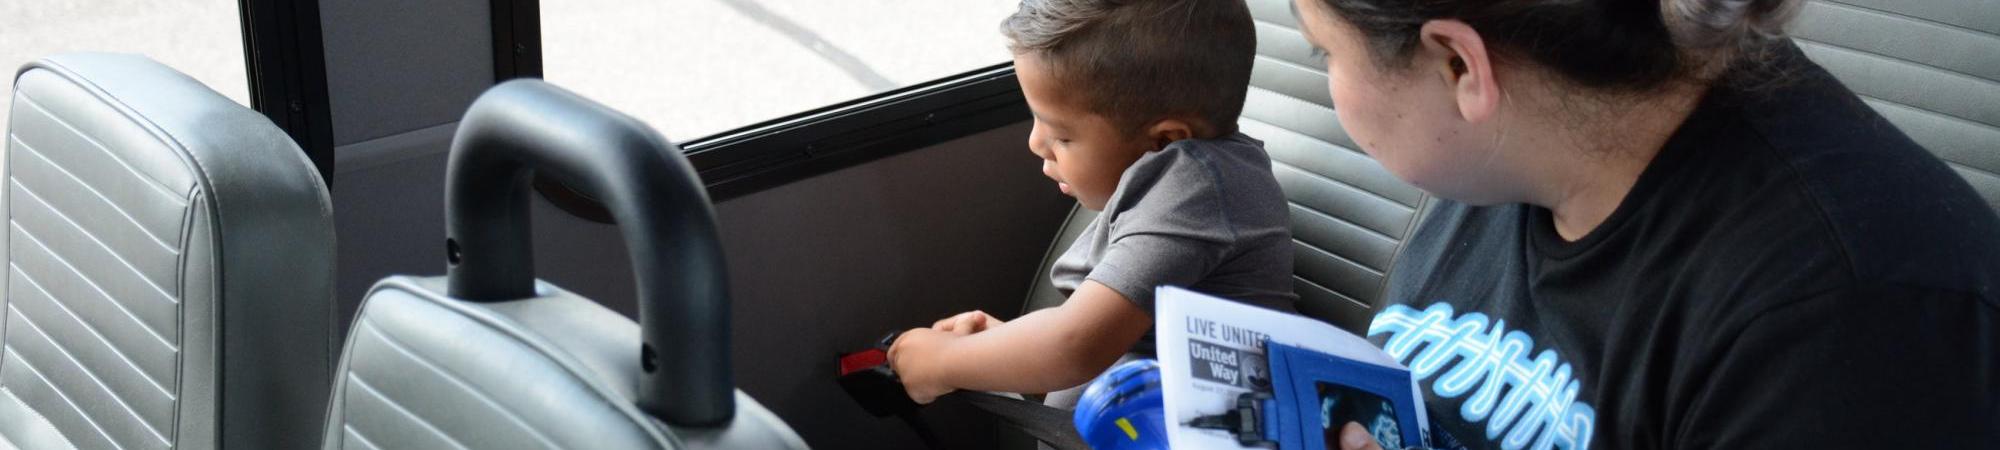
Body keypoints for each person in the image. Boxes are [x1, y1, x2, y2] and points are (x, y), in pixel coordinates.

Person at [1285, 0, 2000, 448]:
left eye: (1325, 51)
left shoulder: (1852, 325)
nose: (1329, 80)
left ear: (1458, 63)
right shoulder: (1505, 153)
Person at [888, 0, 1297, 407]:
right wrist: (1008, 350)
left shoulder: (1197, 193)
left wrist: (940, 363)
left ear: (1165, 141)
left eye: (1061, 135)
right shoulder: (1170, 187)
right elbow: (1108, 351)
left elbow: (1075, 347)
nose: (1036, 144)